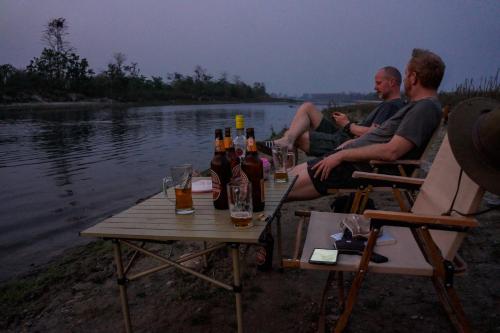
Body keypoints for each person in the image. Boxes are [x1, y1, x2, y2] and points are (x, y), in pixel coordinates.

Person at [287, 48, 445, 201]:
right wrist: (349, 145)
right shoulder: (419, 106)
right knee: (284, 178)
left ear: (413, 78)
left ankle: (262, 209)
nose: (404, 80)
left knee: (279, 188)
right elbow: (382, 137)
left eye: (406, 75)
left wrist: (342, 154)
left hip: (357, 168)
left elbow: (392, 151)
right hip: (349, 160)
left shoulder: (425, 108)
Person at [270, 66, 405, 157]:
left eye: (379, 83)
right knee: (307, 107)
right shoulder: (390, 105)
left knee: (298, 137)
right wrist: (347, 124)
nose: (375, 87)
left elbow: (375, 134)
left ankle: (286, 175)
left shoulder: (391, 106)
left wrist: (347, 125)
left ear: (392, 82)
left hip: (346, 143)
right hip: (344, 135)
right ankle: (287, 140)